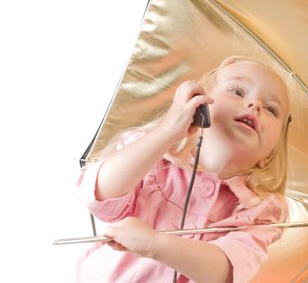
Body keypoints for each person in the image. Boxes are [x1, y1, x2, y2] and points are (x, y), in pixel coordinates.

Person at [75, 55, 292, 283]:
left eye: (271, 109)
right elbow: (100, 194)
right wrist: (168, 131)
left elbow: (225, 272)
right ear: (198, 105)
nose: (255, 105)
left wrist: (155, 245)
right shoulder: (154, 155)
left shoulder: (261, 212)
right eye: (238, 91)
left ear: (272, 152)